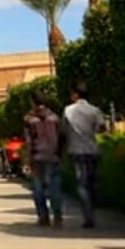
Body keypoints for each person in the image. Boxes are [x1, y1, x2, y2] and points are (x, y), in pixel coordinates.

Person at [62, 86, 105, 229]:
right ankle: (93, 209)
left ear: (75, 95)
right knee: (92, 183)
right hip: (92, 150)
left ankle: (88, 216)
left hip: (76, 150)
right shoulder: (94, 110)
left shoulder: (68, 110)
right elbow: (101, 128)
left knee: (82, 184)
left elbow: (63, 131)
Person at [25, 90, 64, 227]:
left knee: (38, 188)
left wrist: (27, 160)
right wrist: (61, 154)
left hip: (37, 156)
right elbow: (61, 137)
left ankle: (43, 217)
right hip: (54, 156)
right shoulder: (54, 117)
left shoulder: (30, 119)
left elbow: (29, 141)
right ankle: (58, 216)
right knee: (55, 187)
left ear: (33, 102)